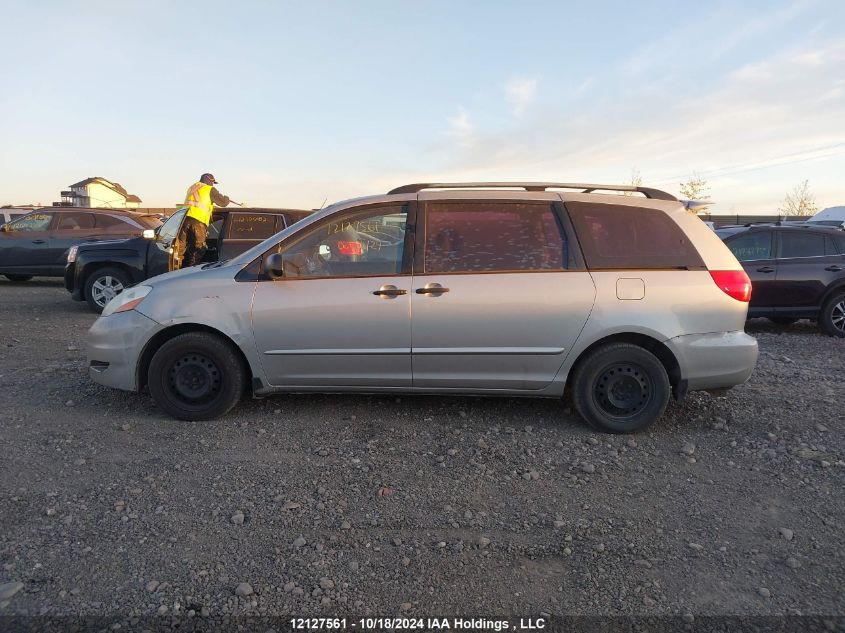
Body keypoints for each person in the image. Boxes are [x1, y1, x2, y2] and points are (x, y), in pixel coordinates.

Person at [177, 173, 231, 268]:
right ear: (208, 179)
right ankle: (190, 273)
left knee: (181, 249)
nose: (213, 184)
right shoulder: (209, 189)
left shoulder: (191, 187)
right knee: (198, 250)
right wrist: (227, 198)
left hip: (184, 221)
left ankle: (178, 270)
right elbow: (223, 203)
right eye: (212, 181)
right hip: (198, 221)